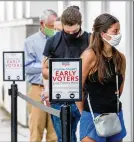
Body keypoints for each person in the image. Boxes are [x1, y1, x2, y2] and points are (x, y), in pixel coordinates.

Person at [42, 6, 91, 142]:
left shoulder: (90, 40)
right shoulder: (52, 41)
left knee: (86, 137)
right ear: (62, 24)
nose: (70, 34)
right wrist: (61, 71)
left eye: (74, 31)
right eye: (67, 31)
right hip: (59, 100)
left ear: (80, 24)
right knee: (64, 138)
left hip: (83, 99)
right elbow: (44, 71)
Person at [76, 13, 127, 142]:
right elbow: (77, 89)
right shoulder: (89, 56)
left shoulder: (120, 58)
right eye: (115, 31)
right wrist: (85, 113)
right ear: (103, 34)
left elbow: (119, 89)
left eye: (119, 30)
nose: (118, 34)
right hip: (93, 116)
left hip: (115, 116)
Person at [24, 9, 58, 142]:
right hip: (37, 89)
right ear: (42, 23)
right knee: (36, 132)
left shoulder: (59, 39)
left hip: (56, 90)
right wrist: (46, 66)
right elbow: (28, 67)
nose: (53, 29)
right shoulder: (30, 42)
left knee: (54, 133)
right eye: (50, 26)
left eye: (55, 26)